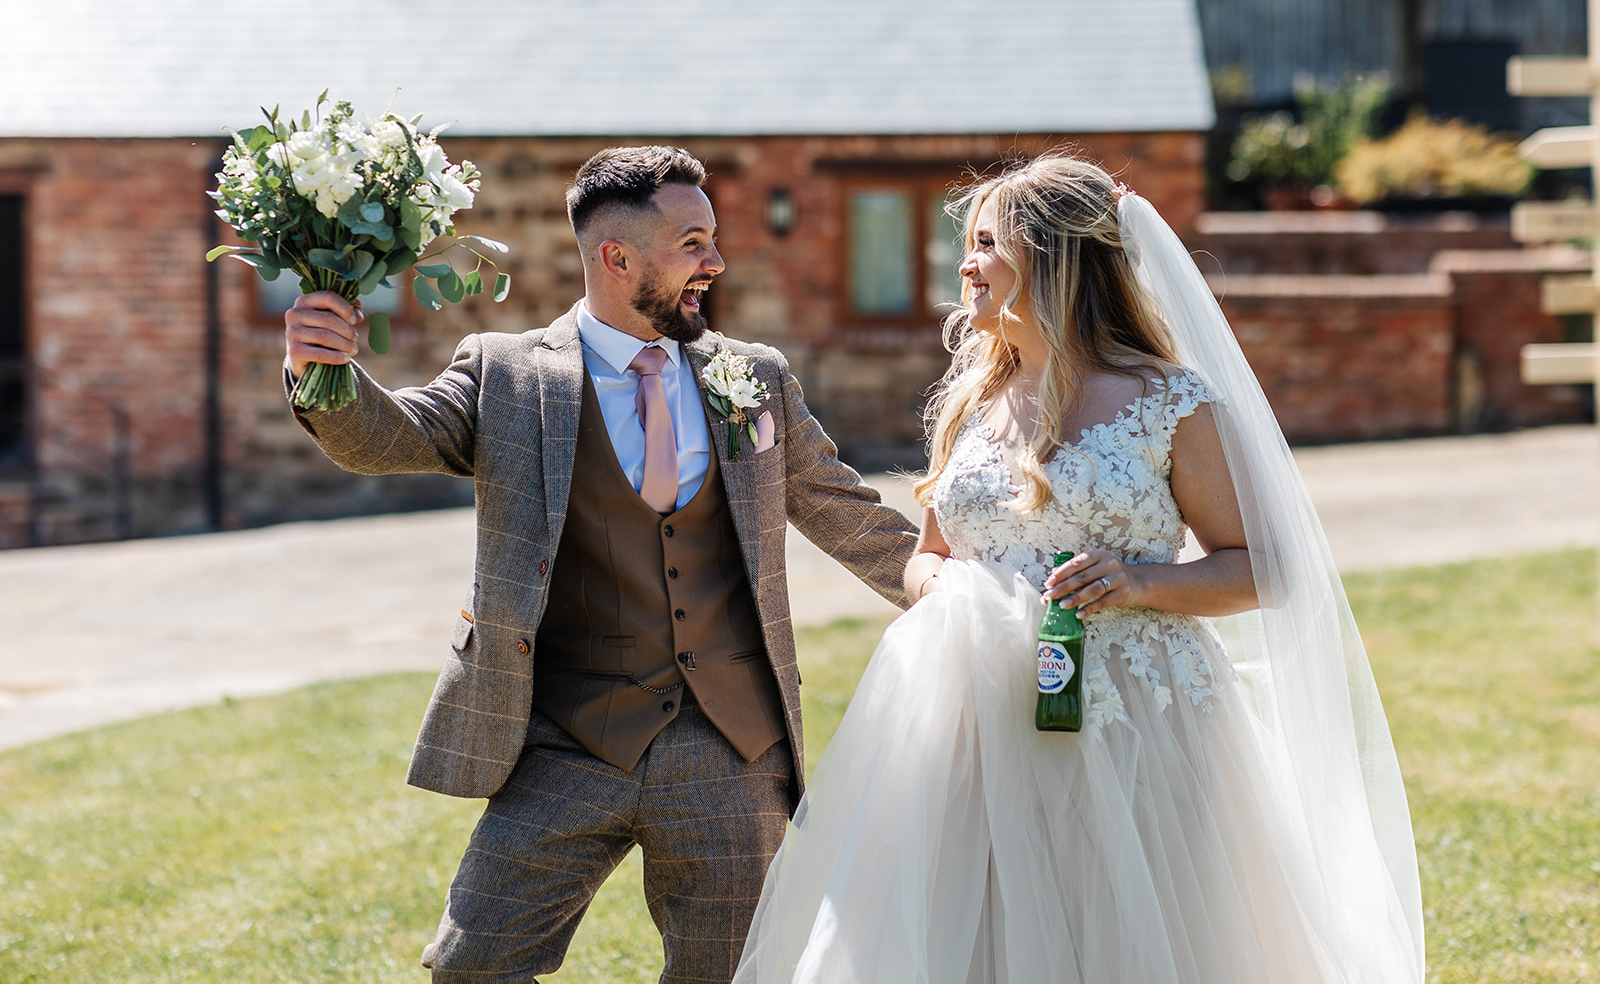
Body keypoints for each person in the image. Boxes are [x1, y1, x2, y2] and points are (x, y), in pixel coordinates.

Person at [732, 155, 1425, 983]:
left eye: (985, 243)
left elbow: (1267, 566)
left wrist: (1141, 583)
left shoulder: (1169, 399)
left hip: (1135, 719)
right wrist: (940, 589)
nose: (963, 264)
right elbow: (927, 557)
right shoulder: (971, 402)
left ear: (1049, 258)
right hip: (969, 726)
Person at [283, 145, 919, 984]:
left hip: (730, 747)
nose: (716, 263)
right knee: (470, 965)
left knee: (728, 974)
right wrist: (319, 370)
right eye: (693, 243)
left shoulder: (752, 378)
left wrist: (965, 588)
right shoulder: (507, 375)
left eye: (713, 240)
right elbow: (389, 435)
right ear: (617, 257)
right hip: (566, 739)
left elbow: (847, 512)